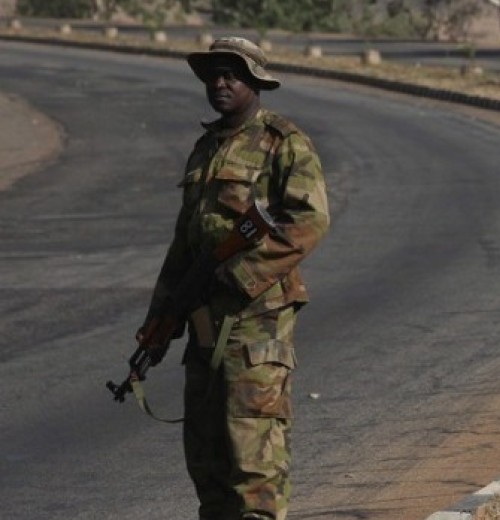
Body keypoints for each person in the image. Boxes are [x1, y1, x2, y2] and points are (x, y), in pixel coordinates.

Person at [140, 36, 330, 520]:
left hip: (258, 319)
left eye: (233, 74)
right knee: (207, 455)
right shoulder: (205, 150)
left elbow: (309, 220)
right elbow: (184, 244)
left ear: (255, 82)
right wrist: (163, 316)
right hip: (205, 319)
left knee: (253, 452)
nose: (221, 83)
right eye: (214, 75)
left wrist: (239, 274)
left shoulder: (283, 142)